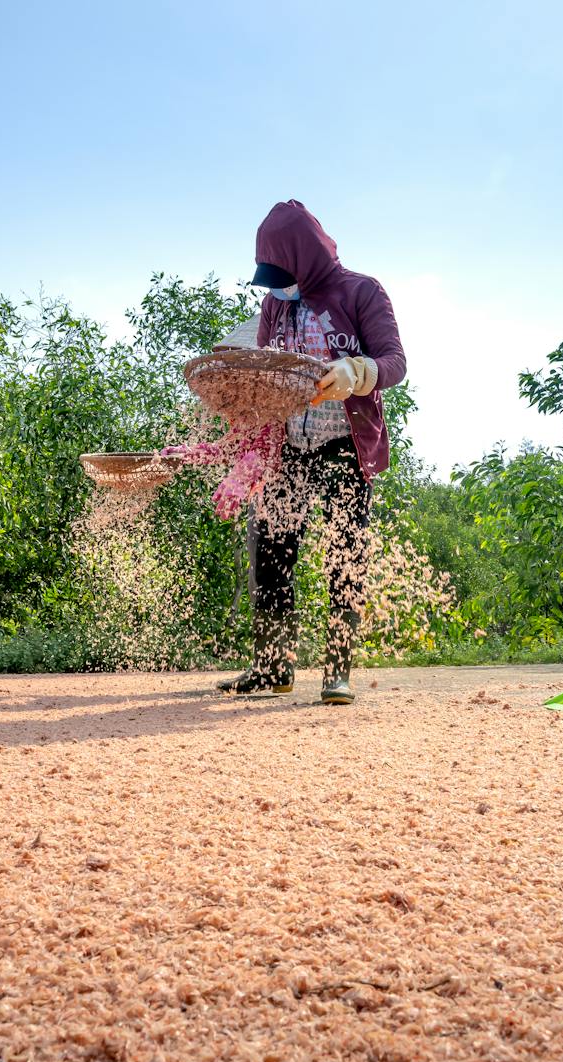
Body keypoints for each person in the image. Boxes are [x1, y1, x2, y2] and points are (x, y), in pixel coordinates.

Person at [217, 200, 406, 705]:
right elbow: (263, 369)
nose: (278, 287)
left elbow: (394, 362)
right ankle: (271, 666)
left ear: (306, 257)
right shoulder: (275, 305)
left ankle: (336, 670)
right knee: (271, 551)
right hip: (287, 446)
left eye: (284, 275)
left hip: (344, 444)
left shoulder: (360, 291)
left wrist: (356, 372)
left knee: (345, 554)